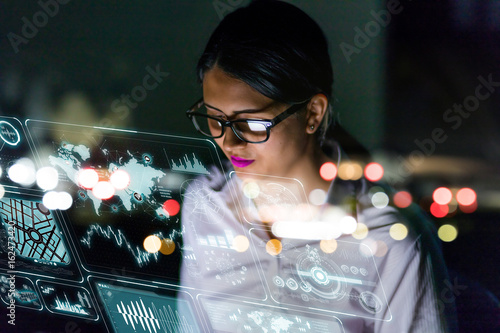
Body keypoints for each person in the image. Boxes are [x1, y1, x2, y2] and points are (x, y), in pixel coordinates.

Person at [179, 1, 458, 332]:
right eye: (214, 119)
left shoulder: (387, 239)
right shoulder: (205, 206)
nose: (229, 142)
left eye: (251, 122)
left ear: (313, 113)